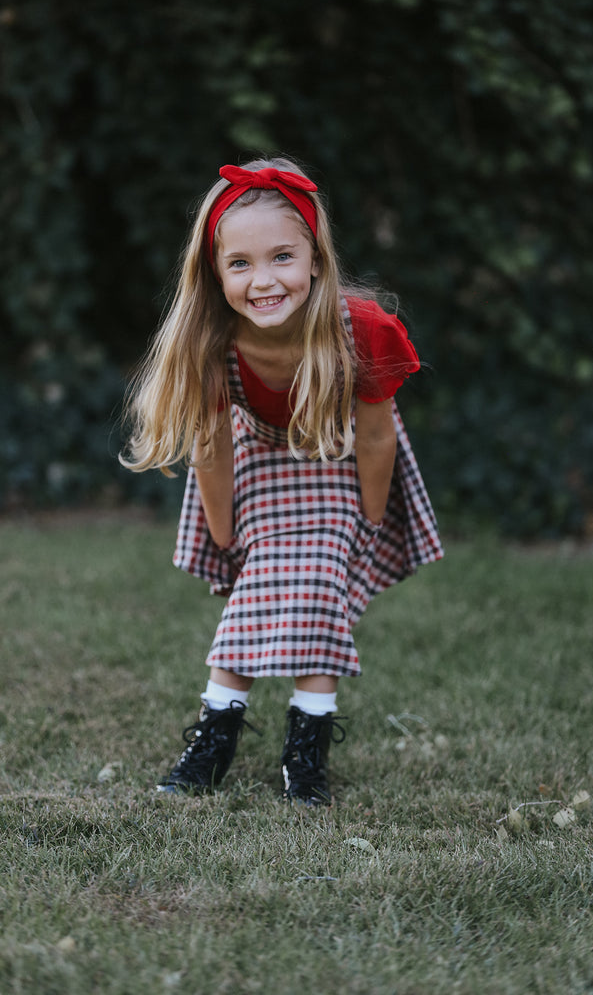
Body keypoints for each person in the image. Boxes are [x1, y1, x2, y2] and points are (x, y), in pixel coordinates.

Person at [120, 156, 443, 806]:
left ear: (316, 258)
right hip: (255, 460)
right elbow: (210, 447)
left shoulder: (365, 331)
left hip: (339, 456)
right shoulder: (212, 340)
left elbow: (376, 434)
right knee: (254, 592)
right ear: (214, 273)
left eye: (282, 258)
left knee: (321, 585)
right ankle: (215, 737)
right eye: (239, 264)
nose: (263, 281)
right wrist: (225, 536)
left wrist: (368, 524)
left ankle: (306, 756)